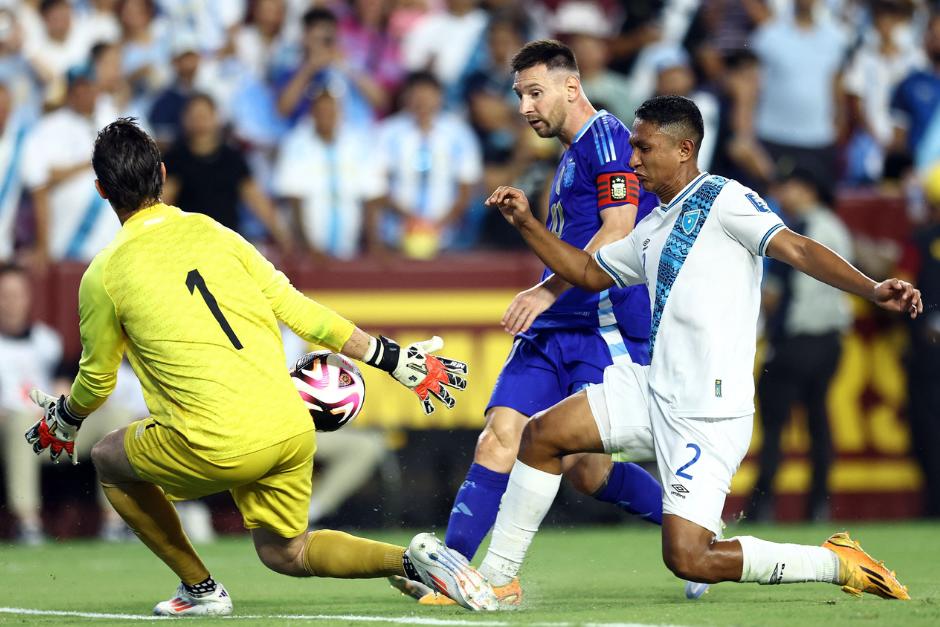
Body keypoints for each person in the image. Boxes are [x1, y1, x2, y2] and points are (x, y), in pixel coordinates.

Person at [23, 118, 497, 615]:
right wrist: (390, 357)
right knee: (285, 551)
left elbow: (97, 380)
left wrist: (66, 418)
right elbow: (299, 310)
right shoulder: (215, 232)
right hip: (290, 427)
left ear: (100, 189)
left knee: (107, 457)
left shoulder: (102, 273)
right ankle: (412, 560)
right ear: (162, 173)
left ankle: (200, 590)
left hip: (214, 442)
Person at [477, 95, 918, 604]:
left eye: (642, 148)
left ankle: (835, 562)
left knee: (690, 557)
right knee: (542, 435)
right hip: (652, 388)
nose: (632, 159)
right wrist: (528, 224)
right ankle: (497, 579)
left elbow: (795, 247)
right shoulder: (653, 225)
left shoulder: (726, 199)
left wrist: (871, 288)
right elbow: (586, 272)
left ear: (684, 148)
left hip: (706, 412)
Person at [392, 40, 699, 606]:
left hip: (601, 326)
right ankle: (454, 573)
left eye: (536, 92)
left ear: (571, 87)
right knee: (497, 437)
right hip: (556, 328)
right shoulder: (567, 154)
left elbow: (619, 227)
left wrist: (546, 289)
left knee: (585, 469)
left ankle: (700, 537)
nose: (526, 107)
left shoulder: (607, 138)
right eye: (520, 95)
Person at [747, 168, 854, 522]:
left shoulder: (799, 230)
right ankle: (819, 505)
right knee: (818, 420)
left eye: (787, 185)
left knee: (775, 425)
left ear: (806, 190)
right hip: (831, 341)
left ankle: (762, 505)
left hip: (796, 339)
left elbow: (776, 296)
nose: (781, 192)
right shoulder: (836, 227)